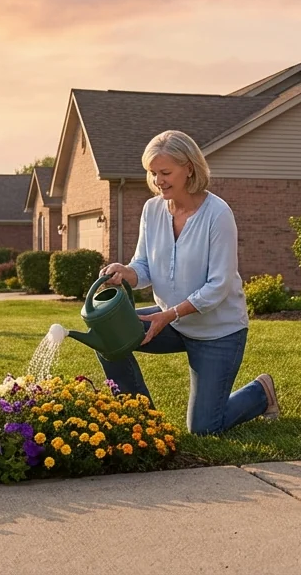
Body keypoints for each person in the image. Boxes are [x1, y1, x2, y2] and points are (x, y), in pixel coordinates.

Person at [98, 130, 279, 435]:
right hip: (172, 322)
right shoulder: (152, 210)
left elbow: (218, 286)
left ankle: (261, 392)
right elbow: (144, 266)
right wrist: (125, 272)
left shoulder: (218, 214)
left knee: (204, 428)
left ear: (189, 168)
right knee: (107, 334)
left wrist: (169, 314)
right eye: (153, 173)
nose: (158, 181)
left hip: (217, 332)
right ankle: (142, 421)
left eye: (165, 172)